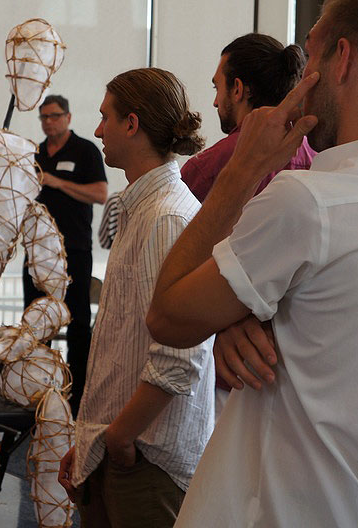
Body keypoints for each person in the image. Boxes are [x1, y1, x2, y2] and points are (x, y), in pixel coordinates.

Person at [147, 0, 358, 527]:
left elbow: (166, 316)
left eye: (312, 50)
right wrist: (237, 316)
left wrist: (243, 169)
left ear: (341, 60)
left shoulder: (308, 202)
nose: (303, 73)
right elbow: (343, 335)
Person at [58, 68, 215, 528]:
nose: (97, 130)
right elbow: (122, 344)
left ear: (132, 124)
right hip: (121, 449)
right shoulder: (145, 208)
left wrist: (119, 438)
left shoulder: (166, 218)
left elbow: (180, 357)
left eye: (105, 117)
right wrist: (92, 439)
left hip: (145, 458)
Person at [23, 94, 108, 414]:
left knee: (77, 322)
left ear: (68, 117)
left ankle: (77, 395)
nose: (49, 122)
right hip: (37, 252)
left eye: (55, 116)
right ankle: (36, 389)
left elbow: (100, 194)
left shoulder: (85, 150)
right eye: (44, 117)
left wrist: (56, 182)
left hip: (74, 250)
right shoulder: (35, 153)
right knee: (35, 321)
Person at [181, 33, 315, 201]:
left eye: (217, 88)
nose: (215, 102)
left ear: (237, 89)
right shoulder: (316, 158)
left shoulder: (204, 169)